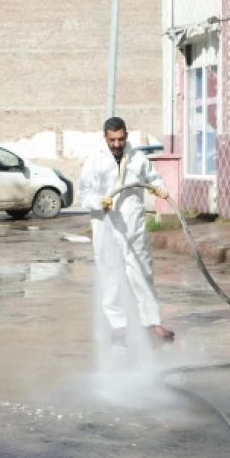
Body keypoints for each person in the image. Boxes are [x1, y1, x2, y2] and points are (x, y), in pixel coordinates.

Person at [80, 117, 175, 345]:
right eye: (112, 139)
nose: (117, 144)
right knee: (110, 275)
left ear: (126, 136)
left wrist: (159, 189)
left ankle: (152, 323)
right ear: (105, 137)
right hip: (106, 225)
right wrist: (98, 201)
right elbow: (84, 193)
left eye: (121, 139)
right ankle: (118, 326)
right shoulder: (95, 161)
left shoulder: (138, 158)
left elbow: (153, 178)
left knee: (142, 273)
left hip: (133, 226)